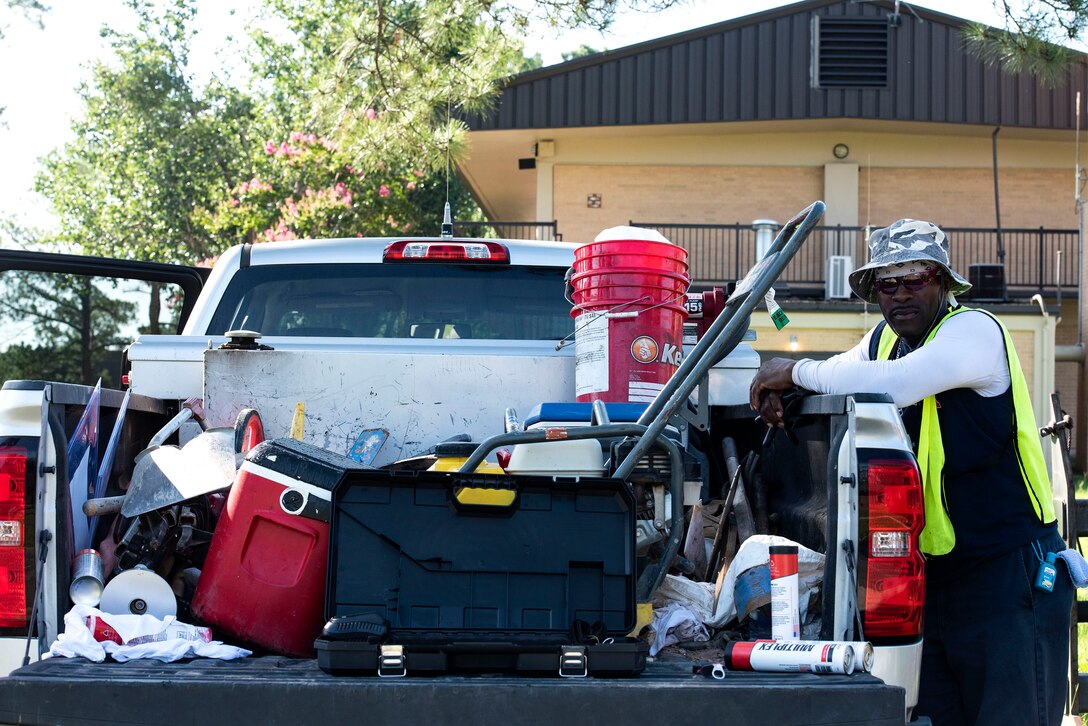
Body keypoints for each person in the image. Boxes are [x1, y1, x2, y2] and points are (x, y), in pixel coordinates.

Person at [748, 219, 1073, 726]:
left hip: (1011, 577)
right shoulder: (882, 340)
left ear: (943, 282)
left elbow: (897, 383)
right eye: (886, 284)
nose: (900, 295)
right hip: (937, 581)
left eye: (915, 279)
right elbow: (847, 369)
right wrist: (788, 395)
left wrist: (793, 370)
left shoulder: (975, 332)